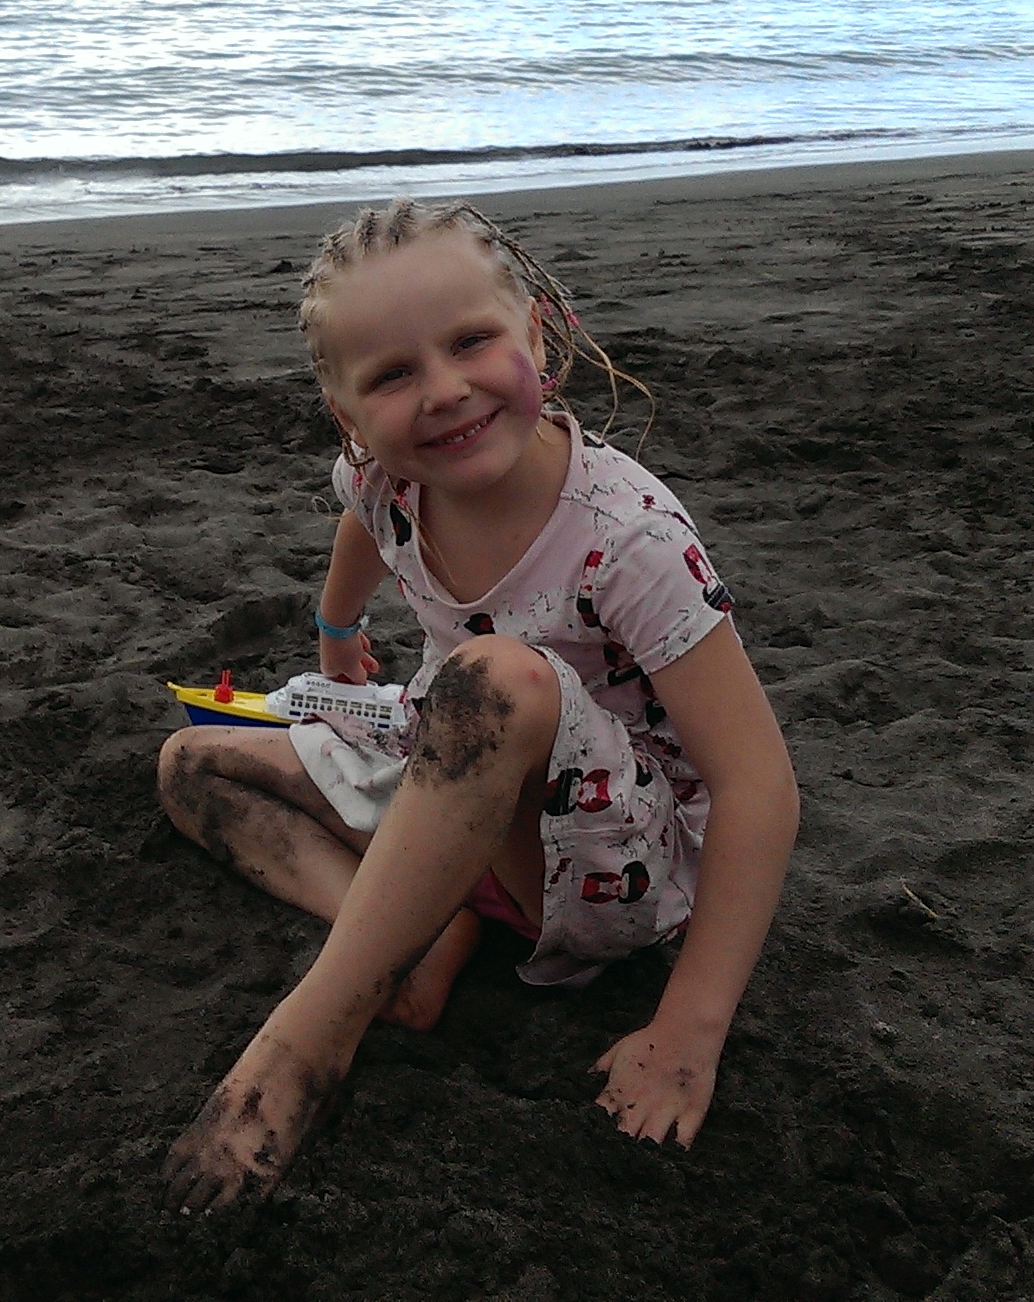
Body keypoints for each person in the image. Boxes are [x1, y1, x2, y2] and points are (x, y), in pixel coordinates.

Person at [154, 201, 801, 1213]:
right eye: (392, 375)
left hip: (608, 864)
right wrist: (335, 629)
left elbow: (759, 785)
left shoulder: (626, 536)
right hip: (455, 782)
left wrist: (690, 1030)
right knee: (192, 765)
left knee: (496, 677)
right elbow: (362, 518)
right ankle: (408, 945)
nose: (446, 390)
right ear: (347, 414)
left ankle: (307, 1038)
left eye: (469, 342)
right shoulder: (388, 479)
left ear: (534, 334)